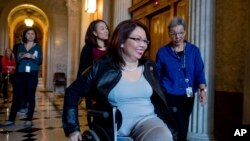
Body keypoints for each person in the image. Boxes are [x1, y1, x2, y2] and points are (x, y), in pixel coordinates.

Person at [63, 20, 177, 141]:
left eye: (145, 41)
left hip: (149, 123)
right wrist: (73, 129)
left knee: (162, 137)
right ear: (121, 41)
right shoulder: (101, 67)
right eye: (137, 39)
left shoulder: (149, 67)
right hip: (112, 128)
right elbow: (72, 92)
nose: (143, 45)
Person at [156, 16, 207, 141]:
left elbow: (199, 71)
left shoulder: (194, 50)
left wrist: (202, 91)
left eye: (180, 33)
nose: (177, 36)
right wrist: (160, 90)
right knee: (178, 125)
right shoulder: (162, 52)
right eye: (173, 33)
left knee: (184, 122)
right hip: (170, 94)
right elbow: (157, 74)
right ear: (169, 33)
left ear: (185, 32)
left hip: (188, 95)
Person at [0, 27, 42, 127]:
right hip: (21, 73)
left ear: (35, 36)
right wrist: (22, 56)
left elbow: (39, 61)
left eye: (32, 34)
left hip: (32, 74)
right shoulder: (20, 46)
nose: (30, 35)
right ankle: (11, 119)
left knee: (31, 96)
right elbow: (17, 59)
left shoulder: (38, 47)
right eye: (28, 33)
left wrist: (31, 56)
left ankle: (29, 119)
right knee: (16, 96)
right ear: (25, 35)